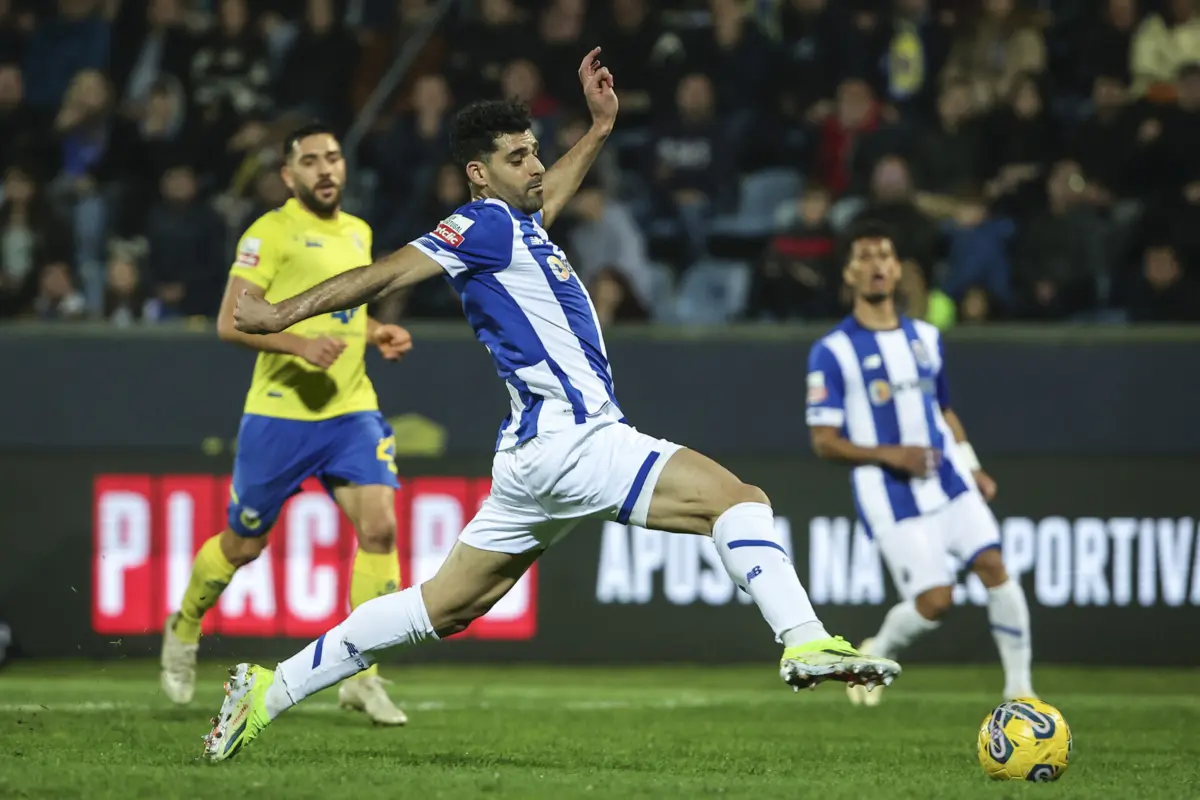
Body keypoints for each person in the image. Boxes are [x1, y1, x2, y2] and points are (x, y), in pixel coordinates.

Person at [202, 49, 902, 763]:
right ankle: (804, 640)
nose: (536, 166)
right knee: (739, 500)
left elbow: (553, 192)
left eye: (535, 151)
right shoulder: (481, 226)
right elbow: (382, 273)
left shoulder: (519, 228)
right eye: (517, 157)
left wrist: (598, 130)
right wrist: (277, 314)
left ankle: (267, 688)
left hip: (534, 459)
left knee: (442, 607)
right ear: (480, 174)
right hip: (576, 442)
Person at [160, 122, 415, 727]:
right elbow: (229, 322)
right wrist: (301, 347)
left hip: (350, 409)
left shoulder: (358, 231)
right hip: (280, 413)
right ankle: (185, 624)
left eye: (333, 158)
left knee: (378, 530)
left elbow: (349, 307)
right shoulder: (267, 233)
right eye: (311, 161)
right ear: (288, 175)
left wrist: (374, 331)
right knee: (243, 544)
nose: (326, 169)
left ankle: (364, 677)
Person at [804, 220, 1035, 707]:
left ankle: (1020, 690)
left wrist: (971, 465)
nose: (876, 266)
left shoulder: (927, 338)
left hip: (948, 479)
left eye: (884, 255)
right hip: (890, 492)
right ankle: (877, 652)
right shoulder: (833, 351)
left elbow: (944, 410)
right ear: (849, 273)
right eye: (864, 257)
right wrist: (891, 454)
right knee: (936, 602)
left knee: (994, 566)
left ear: (898, 269)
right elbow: (824, 441)